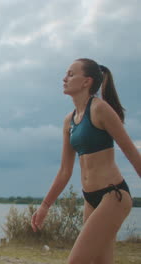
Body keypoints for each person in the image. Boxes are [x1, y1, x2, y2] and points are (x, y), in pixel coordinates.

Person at [31, 58, 141, 263]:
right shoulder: (69, 120)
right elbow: (65, 171)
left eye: (71, 74)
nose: (64, 78)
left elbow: (131, 152)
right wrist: (45, 206)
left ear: (86, 82)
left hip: (113, 195)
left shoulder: (100, 109)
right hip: (90, 199)